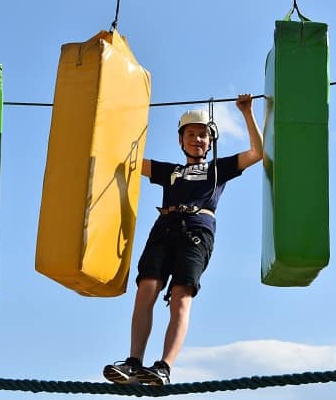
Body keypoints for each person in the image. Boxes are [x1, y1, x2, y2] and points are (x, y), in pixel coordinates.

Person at [103, 93, 263, 386]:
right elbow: (127, 160)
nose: (197, 140)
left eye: (202, 135)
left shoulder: (218, 169)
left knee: (180, 297)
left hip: (197, 233)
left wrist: (246, 112)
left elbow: (256, 152)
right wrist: (115, 114)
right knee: (146, 289)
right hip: (164, 227)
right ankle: (133, 364)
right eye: (191, 134)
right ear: (181, 140)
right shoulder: (171, 171)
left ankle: (163, 366)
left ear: (209, 142)